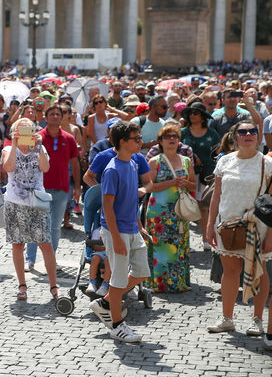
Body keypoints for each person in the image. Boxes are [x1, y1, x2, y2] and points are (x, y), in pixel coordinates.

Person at [205, 122, 272, 337]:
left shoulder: (266, 163)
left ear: (258, 136)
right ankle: (227, 318)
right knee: (230, 271)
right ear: (235, 137)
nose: (248, 135)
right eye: (243, 132)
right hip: (228, 227)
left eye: (253, 131)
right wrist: (210, 224)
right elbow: (216, 196)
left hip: (258, 226)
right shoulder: (224, 160)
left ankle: (258, 320)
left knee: (259, 273)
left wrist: (271, 233)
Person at [90, 121, 151, 343]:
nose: (141, 141)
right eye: (137, 138)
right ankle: (116, 326)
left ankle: (106, 302)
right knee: (117, 280)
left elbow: (132, 200)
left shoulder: (133, 164)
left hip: (132, 229)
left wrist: (140, 226)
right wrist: (115, 237)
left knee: (142, 272)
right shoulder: (112, 169)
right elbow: (107, 207)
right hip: (117, 232)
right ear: (123, 142)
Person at [1, 117, 58, 300]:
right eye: (21, 130)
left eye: (29, 131)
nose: (26, 134)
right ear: (14, 133)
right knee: (18, 245)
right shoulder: (8, 149)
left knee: (46, 244)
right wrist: (16, 144)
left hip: (37, 202)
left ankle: (54, 287)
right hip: (15, 202)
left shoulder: (40, 148)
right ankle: (22, 285)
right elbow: (8, 168)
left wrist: (39, 147)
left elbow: (46, 168)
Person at [25, 104, 80, 270]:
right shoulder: (37, 137)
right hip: (40, 188)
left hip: (62, 189)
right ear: (46, 118)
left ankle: (51, 259)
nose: (55, 116)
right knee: (36, 224)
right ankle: (30, 259)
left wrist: (77, 186)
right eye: (52, 114)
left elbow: (75, 163)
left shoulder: (69, 138)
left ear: (62, 117)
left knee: (55, 226)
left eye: (58, 114)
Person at [144, 123, 196, 293]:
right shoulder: (154, 161)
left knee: (178, 246)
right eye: (167, 137)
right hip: (159, 212)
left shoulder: (186, 161)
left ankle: (178, 282)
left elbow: (194, 185)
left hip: (179, 212)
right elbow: (149, 186)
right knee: (160, 247)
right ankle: (157, 284)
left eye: (175, 136)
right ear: (161, 141)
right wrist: (171, 183)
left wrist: (186, 183)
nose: (171, 139)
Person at [180, 102, 220, 248]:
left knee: (203, 207)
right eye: (190, 112)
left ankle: (206, 239)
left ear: (203, 116)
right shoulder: (182, 132)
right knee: (184, 207)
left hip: (206, 175)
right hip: (186, 175)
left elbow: (217, 154)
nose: (192, 115)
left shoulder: (212, 134)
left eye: (195, 112)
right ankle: (182, 242)